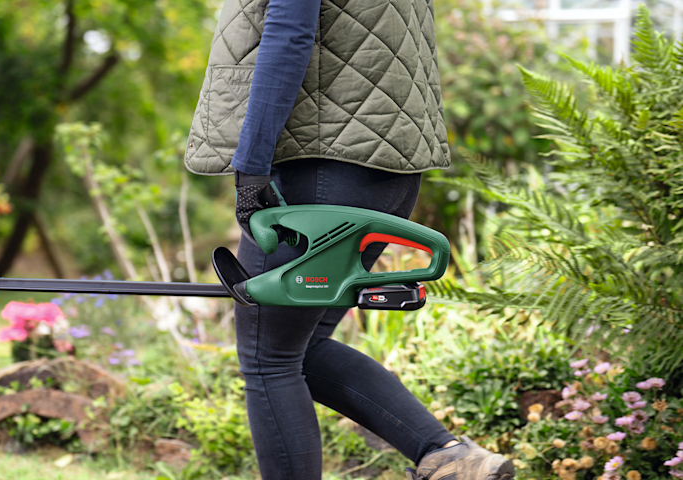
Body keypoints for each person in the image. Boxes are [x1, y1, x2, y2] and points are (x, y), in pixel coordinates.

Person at [184, 0, 515, 479]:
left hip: (320, 165)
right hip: (384, 167)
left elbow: (290, 31)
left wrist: (252, 165)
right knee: (301, 346)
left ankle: (447, 456)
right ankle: (450, 458)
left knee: (268, 359)